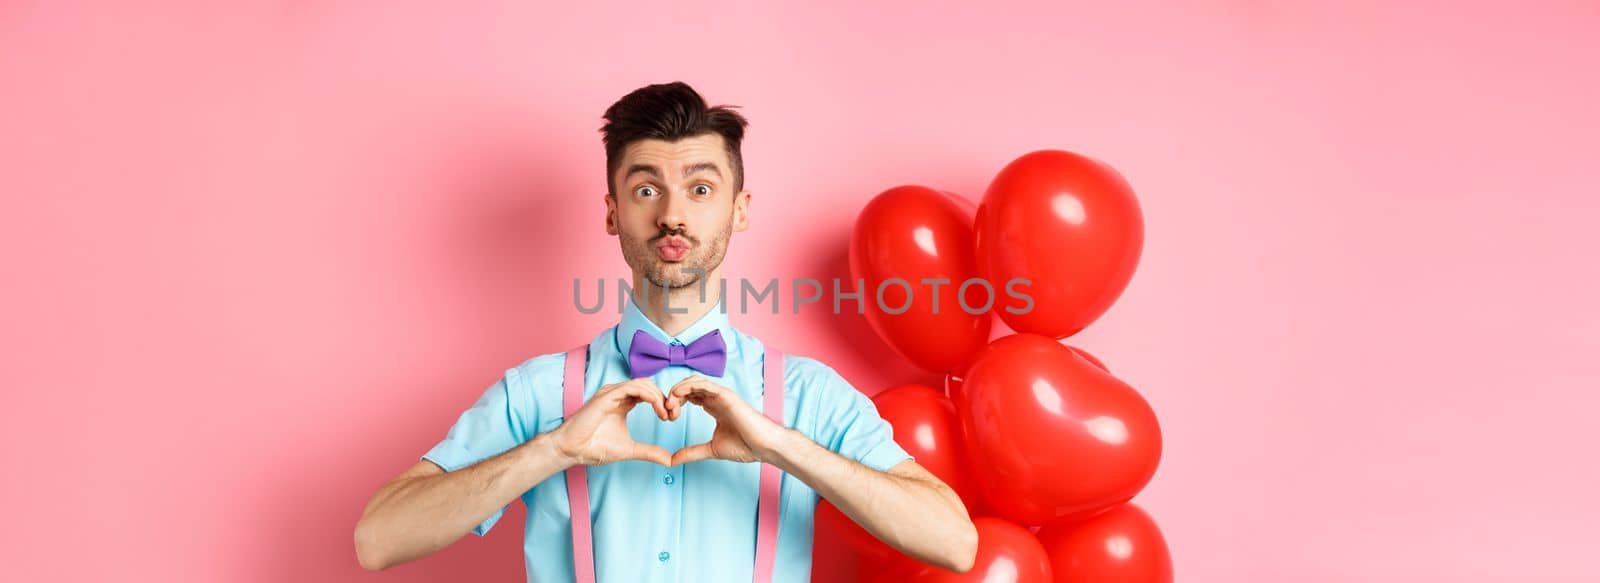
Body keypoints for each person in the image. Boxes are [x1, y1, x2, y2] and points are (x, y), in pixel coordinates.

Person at [354, 81, 977, 582]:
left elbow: (953, 542)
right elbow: (379, 540)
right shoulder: (538, 392)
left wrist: (780, 447)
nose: (673, 214)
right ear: (611, 211)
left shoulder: (808, 395)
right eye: (646, 188)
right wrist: (556, 449)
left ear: (739, 209)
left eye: (700, 188)